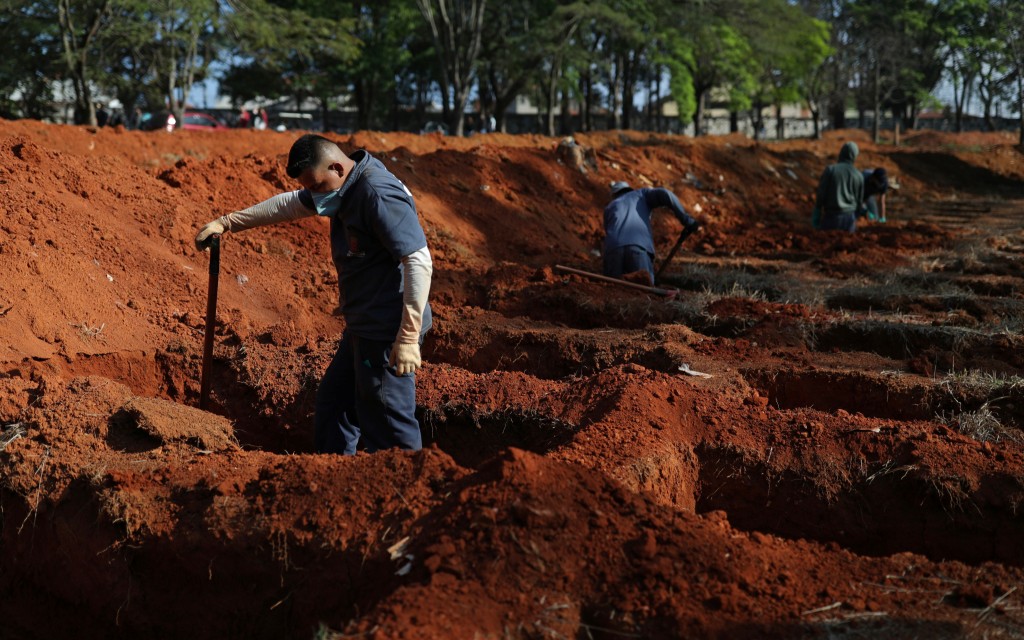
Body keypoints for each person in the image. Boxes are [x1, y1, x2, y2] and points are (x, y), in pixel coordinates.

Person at [193, 134, 433, 455]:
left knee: (388, 424)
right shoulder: (341, 185)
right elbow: (289, 204)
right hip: (363, 324)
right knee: (335, 405)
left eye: (317, 186)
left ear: (336, 166)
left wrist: (407, 337)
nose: (313, 196)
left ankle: (405, 495)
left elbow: (418, 260)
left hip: (388, 329)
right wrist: (227, 223)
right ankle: (327, 478)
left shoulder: (376, 194)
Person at [603, 181, 699, 286]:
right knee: (644, 288)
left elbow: (609, 231)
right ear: (630, 190)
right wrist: (686, 219)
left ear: (614, 195)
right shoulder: (640, 194)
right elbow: (665, 194)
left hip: (612, 250)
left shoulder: (609, 207)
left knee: (612, 288)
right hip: (638, 248)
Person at [813, 141, 863, 232]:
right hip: (849, 219)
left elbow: (821, 193)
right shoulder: (858, 175)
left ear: (841, 153)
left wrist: (817, 212)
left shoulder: (830, 170)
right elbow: (859, 201)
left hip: (831, 218)